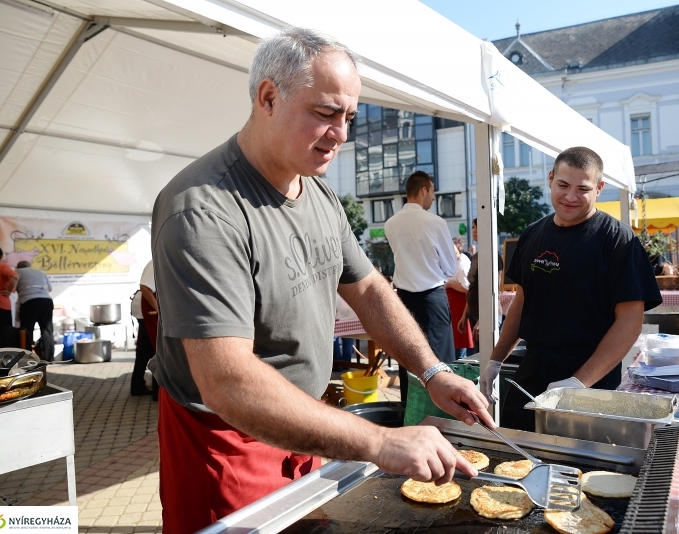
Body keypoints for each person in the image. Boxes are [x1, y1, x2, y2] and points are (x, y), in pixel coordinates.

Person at [149, 28, 490, 533]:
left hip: (305, 427)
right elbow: (228, 382)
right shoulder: (204, 209)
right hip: (227, 442)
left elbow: (370, 288)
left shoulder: (318, 194)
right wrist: (379, 443)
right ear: (268, 97)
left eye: (349, 117)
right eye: (326, 113)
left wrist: (432, 371)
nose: (342, 134)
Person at [481, 147, 662, 431]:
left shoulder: (616, 239)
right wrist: (495, 360)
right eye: (563, 185)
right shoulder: (532, 234)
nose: (571, 196)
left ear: (600, 188)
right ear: (550, 178)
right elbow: (521, 304)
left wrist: (578, 382)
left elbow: (630, 321)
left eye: (583, 188)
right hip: (533, 371)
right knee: (518, 455)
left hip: (591, 380)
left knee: (580, 470)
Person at [385, 170, 458, 401]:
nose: (434, 198)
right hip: (433, 299)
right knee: (440, 360)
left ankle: (411, 413)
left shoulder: (390, 223)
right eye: (433, 192)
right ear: (424, 190)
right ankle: (442, 418)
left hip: (404, 300)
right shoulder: (435, 222)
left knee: (410, 358)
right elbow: (450, 269)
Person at [457, 218, 503, 355]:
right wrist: (464, 315)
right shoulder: (476, 256)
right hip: (474, 313)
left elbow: (494, 289)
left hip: (488, 314)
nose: (474, 230)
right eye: (473, 227)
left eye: (478, 226)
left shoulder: (493, 256)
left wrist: (485, 318)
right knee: (479, 356)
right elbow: (473, 287)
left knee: (489, 356)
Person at [15, 261, 54, 361]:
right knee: (47, 330)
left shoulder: (17, 272)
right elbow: (50, 289)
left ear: (18, 267)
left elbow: (13, 288)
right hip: (47, 301)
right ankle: (49, 358)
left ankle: (28, 358)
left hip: (29, 301)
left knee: (27, 330)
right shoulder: (40, 272)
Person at [131, 260, 156, 396]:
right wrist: (157, 308)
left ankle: (137, 385)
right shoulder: (154, 263)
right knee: (152, 349)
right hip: (146, 312)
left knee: (145, 350)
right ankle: (142, 387)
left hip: (144, 311)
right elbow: (145, 287)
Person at [444, 243, 472, 360]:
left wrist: (450, 284)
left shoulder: (462, 263)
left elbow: (467, 288)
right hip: (451, 303)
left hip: (460, 304)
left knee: (459, 341)